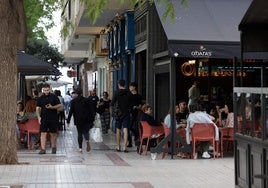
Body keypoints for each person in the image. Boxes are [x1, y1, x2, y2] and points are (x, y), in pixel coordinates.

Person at [36, 84, 62, 154]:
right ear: (43, 90)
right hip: (43, 118)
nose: (46, 92)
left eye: (47, 90)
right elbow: (38, 108)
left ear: (49, 89)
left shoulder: (54, 96)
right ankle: (43, 149)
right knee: (43, 133)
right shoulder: (40, 98)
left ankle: (53, 147)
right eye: (45, 90)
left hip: (53, 118)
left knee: (53, 133)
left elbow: (59, 105)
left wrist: (52, 107)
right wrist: (38, 117)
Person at [66, 88, 94, 153]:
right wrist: (92, 118)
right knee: (86, 131)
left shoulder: (73, 101)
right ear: (82, 93)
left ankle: (80, 148)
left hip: (78, 119)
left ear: (76, 94)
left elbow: (71, 111)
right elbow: (91, 110)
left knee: (79, 133)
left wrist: (68, 121)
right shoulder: (87, 100)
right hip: (86, 119)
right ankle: (87, 141)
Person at [110, 79, 132, 153]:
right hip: (126, 113)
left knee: (118, 129)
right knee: (125, 129)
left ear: (119, 84)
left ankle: (118, 146)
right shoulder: (129, 92)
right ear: (125, 84)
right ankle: (125, 147)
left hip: (118, 114)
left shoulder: (116, 93)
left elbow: (112, 103)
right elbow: (131, 104)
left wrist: (112, 113)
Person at [128, 82, 143, 147]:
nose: (129, 88)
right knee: (128, 127)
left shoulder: (139, 96)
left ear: (134, 87)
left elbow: (140, 106)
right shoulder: (128, 95)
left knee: (134, 127)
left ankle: (137, 139)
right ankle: (130, 142)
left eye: (131, 86)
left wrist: (136, 107)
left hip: (136, 114)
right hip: (129, 113)